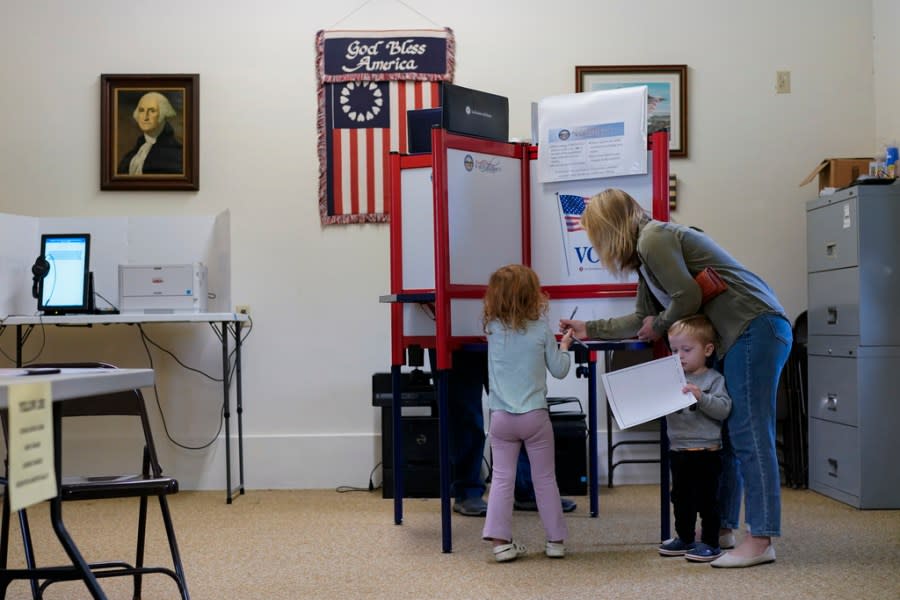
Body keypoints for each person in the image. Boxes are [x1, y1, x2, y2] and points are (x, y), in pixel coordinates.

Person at [559, 188, 792, 569]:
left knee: (749, 435)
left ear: (610, 228)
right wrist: (590, 327)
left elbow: (684, 298)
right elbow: (641, 321)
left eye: (595, 235)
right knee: (731, 439)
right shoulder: (645, 260)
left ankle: (762, 538)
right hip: (741, 333)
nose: (596, 245)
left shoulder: (655, 238)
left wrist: (661, 324)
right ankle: (723, 530)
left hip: (755, 326)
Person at [481, 264, 573, 562]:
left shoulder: (492, 330)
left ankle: (500, 544)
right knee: (545, 479)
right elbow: (559, 370)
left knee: (501, 479)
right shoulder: (541, 331)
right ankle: (556, 542)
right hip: (535, 417)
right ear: (533, 296)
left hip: (501, 418)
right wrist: (565, 346)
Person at [657, 315, 731, 562]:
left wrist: (701, 397)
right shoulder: (671, 379)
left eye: (686, 349)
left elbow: (723, 409)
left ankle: (711, 541)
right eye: (674, 349)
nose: (679, 355)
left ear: (708, 349)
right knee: (680, 499)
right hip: (678, 450)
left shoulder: (714, 380)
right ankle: (685, 537)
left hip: (706, 452)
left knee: (708, 500)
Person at [117, 91, 184, 175]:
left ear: (163, 114)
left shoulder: (177, 154)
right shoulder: (132, 155)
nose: (145, 117)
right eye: (141, 110)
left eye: (152, 111)